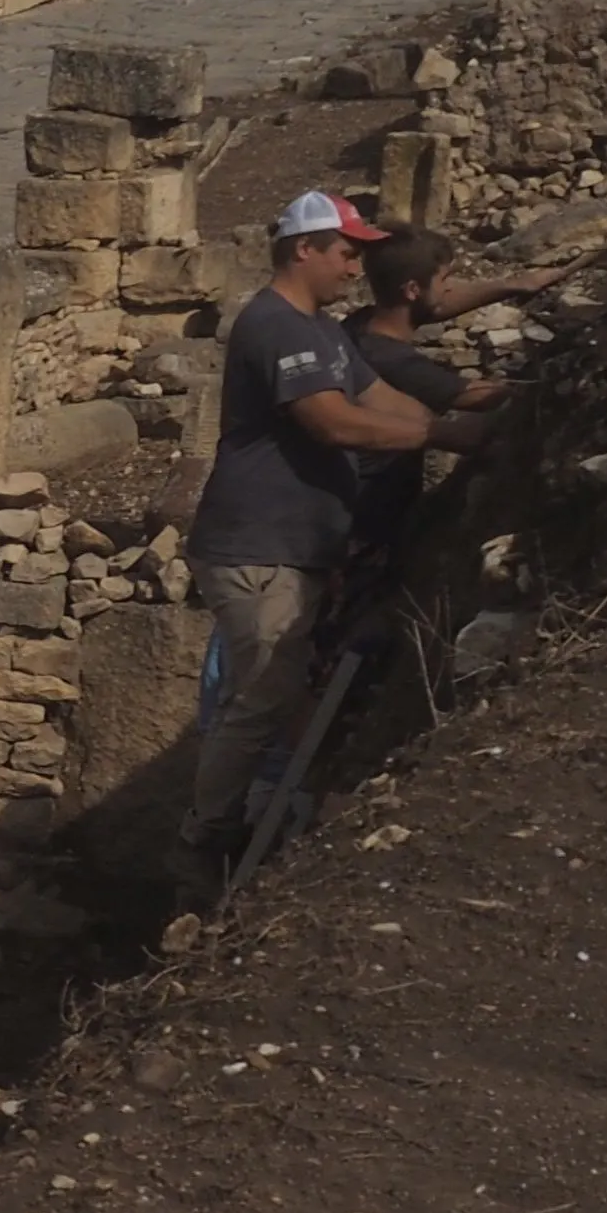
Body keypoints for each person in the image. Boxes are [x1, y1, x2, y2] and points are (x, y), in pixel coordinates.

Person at [181, 192, 437, 878]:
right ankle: (210, 839)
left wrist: (450, 416)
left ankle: (281, 806)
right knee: (262, 692)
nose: (356, 270)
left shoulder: (321, 331)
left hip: (295, 545)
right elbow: (333, 421)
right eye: (347, 253)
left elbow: (380, 400)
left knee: (281, 686)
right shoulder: (277, 326)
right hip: (259, 548)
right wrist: (440, 433)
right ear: (305, 249)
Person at [344, 224, 530, 558]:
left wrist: (512, 285)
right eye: (444, 280)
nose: (451, 289)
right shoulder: (391, 361)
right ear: (413, 290)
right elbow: (472, 396)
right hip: (368, 528)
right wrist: (543, 378)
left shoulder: (362, 325)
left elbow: (439, 306)